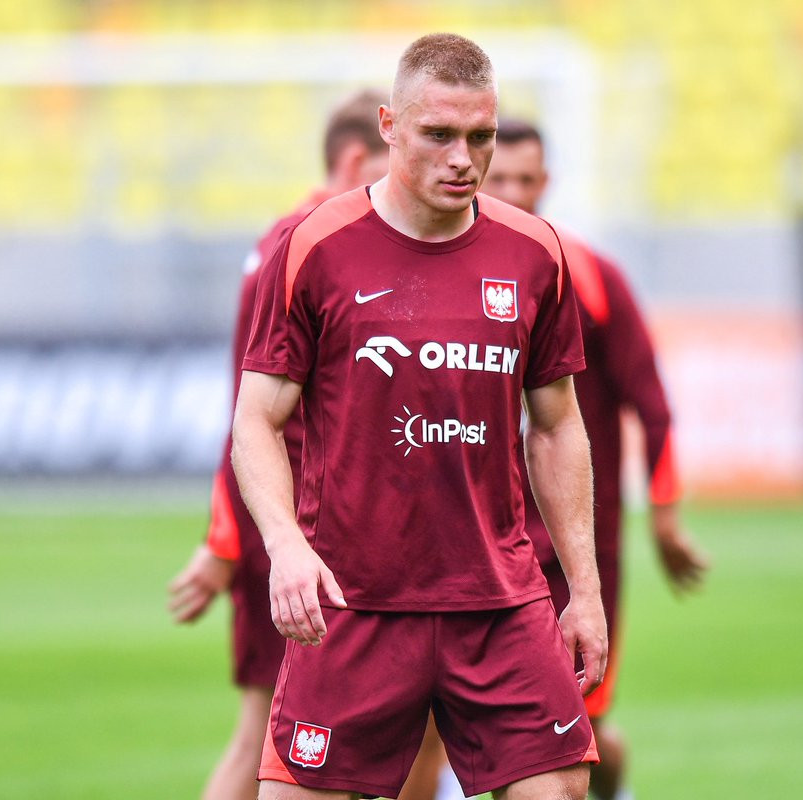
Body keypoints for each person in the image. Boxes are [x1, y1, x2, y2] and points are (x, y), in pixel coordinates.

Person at [231, 33, 607, 800]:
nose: (463, 159)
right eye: (438, 134)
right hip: (353, 601)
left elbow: (556, 425)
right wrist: (286, 544)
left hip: (499, 603)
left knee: (562, 788)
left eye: (480, 136)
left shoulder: (534, 253)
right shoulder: (315, 247)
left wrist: (585, 588)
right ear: (389, 127)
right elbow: (255, 421)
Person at [167, 88, 390, 800]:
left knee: (359, 735)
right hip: (293, 531)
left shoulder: (292, 239)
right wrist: (227, 542)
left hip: (320, 527)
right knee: (270, 735)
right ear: (354, 160)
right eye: (391, 165)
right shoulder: (308, 244)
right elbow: (250, 415)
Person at [479, 118, 708, 800]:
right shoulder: (445, 277)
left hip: (576, 543)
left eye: (526, 179)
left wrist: (664, 517)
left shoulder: (592, 278)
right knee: (470, 722)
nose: (513, 193)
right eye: (500, 179)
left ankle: (613, 785)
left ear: (546, 182)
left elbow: (653, 405)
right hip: (480, 539)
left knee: (579, 727)